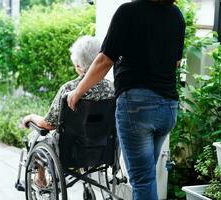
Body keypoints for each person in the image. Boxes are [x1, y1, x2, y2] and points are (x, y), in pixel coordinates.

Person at [67, 0, 186, 199]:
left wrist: (78, 91)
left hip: (137, 108)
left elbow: (104, 60)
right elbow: (175, 62)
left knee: (142, 180)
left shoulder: (128, 12)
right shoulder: (176, 16)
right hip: (168, 107)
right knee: (146, 177)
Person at [22, 35, 115, 187]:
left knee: (35, 136)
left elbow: (48, 124)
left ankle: (40, 179)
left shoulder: (70, 89)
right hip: (102, 149)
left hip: (70, 151)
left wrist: (31, 116)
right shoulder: (111, 88)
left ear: (79, 66)